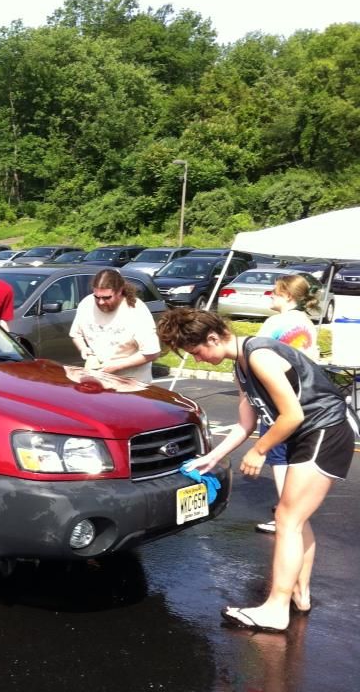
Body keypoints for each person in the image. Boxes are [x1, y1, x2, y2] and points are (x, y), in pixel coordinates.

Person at [156, 307, 354, 632]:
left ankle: (276, 609)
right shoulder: (241, 365)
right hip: (308, 435)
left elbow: (292, 415)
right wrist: (212, 456)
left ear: (213, 337)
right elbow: (246, 423)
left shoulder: (259, 355)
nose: (199, 359)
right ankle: (299, 594)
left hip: (324, 431)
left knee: (287, 520)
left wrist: (260, 451)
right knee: (295, 518)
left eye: (197, 352)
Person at [254, 274, 321, 535]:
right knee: (295, 453)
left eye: (274, 291)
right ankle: (294, 508)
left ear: (287, 295)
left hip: (277, 395)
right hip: (303, 394)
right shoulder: (307, 322)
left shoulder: (275, 322)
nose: (270, 295)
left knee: (278, 454)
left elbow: (254, 352)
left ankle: (285, 512)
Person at [69, 268, 160, 383]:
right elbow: (76, 334)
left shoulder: (136, 310)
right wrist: (84, 349)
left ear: (120, 291)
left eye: (107, 298)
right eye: (97, 297)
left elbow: (152, 352)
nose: (101, 302)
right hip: (97, 381)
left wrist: (116, 366)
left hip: (130, 385)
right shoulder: (86, 304)